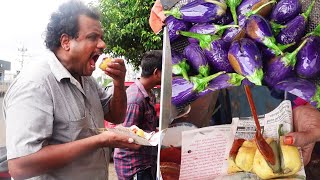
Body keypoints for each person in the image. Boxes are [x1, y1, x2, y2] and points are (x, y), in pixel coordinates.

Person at [3, 1, 140, 179]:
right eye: (93, 37)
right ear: (66, 42)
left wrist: (118, 83)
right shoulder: (35, 83)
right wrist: (100, 140)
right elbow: (20, 166)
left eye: (101, 37)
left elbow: (116, 116)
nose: (102, 44)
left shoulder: (86, 78)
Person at [113, 50, 162, 180]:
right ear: (156, 72)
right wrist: (152, 137)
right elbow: (126, 137)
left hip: (145, 163)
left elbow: (144, 126)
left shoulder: (149, 94)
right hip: (134, 167)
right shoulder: (135, 99)